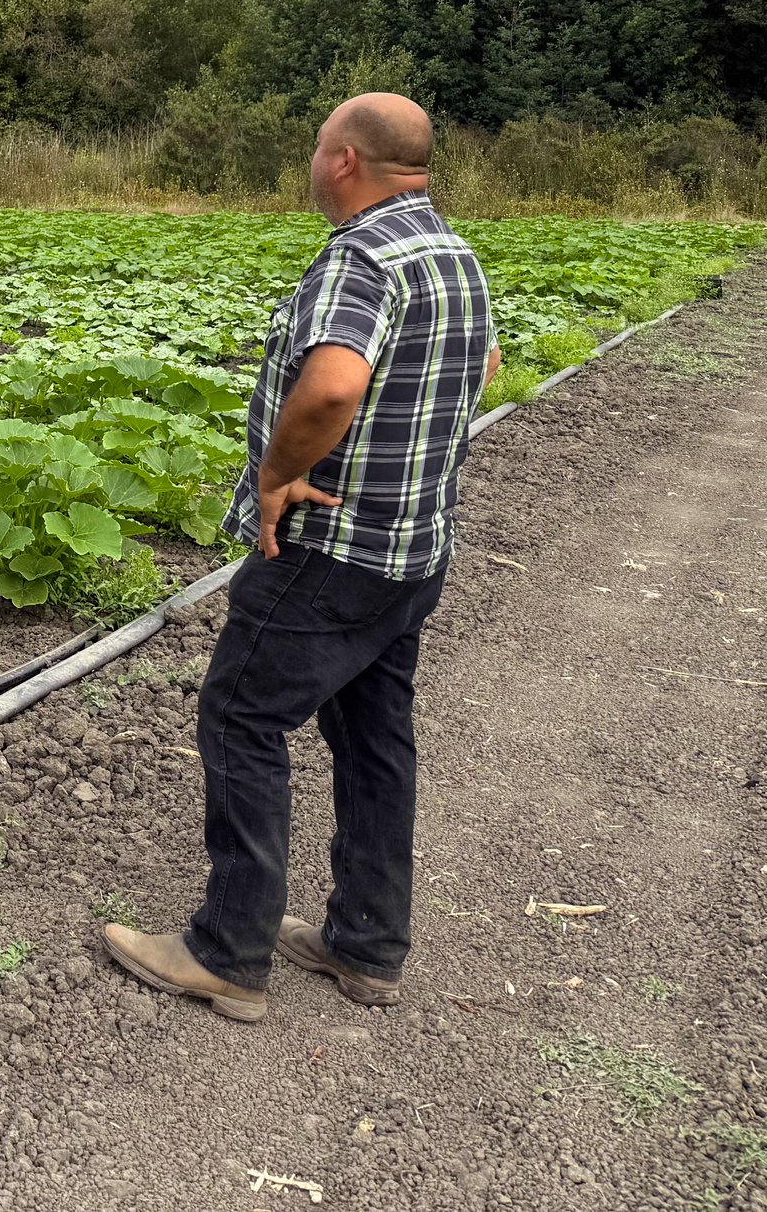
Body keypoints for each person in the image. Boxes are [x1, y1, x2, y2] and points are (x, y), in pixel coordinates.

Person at [100, 93, 501, 1021]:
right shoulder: (453, 252)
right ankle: (367, 944)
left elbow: (332, 386)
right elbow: (478, 369)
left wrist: (281, 470)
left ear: (347, 161)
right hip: (413, 549)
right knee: (373, 735)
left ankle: (227, 952)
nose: (313, 161)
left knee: (241, 716)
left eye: (319, 147)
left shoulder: (361, 257)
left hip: (330, 549)